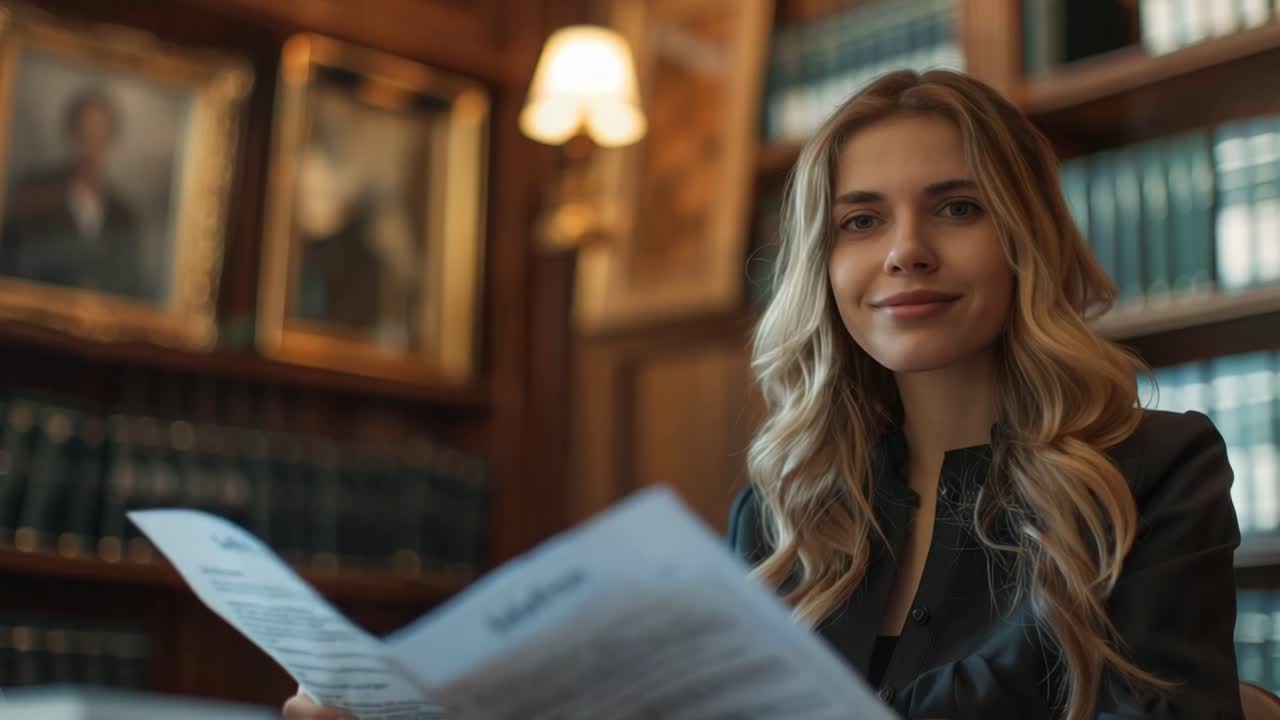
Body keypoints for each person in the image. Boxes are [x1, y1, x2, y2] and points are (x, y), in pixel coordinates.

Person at [282, 70, 1244, 719]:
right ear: (824, 267)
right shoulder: (785, 514)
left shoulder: (1155, 470)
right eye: (861, 220)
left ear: (1025, 238)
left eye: (957, 206)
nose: (905, 248)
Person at [0, 88, 150, 301]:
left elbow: (132, 288)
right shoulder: (35, 193)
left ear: (110, 141)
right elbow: (12, 266)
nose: (91, 146)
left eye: (100, 136)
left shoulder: (124, 214)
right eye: (84, 134)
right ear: (71, 135)